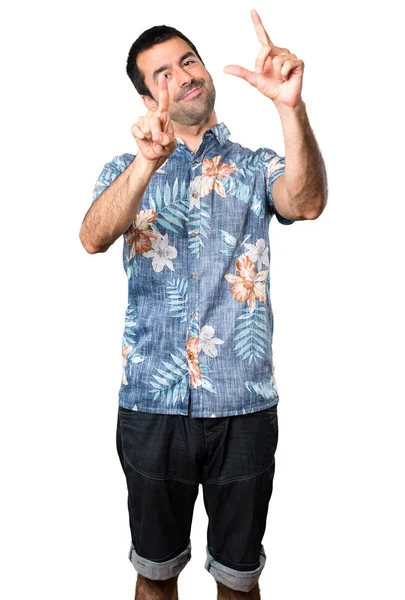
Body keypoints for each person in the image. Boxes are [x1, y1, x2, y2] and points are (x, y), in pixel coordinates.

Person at [79, 9, 327, 600]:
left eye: (188, 60)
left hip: (242, 408)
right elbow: (92, 236)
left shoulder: (256, 164)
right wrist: (146, 162)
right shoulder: (124, 170)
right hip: (150, 406)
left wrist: (290, 107)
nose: (184, 75)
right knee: (155, 575)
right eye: (163, 73)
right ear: (146, 96)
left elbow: (307, 200)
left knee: (239, 581)